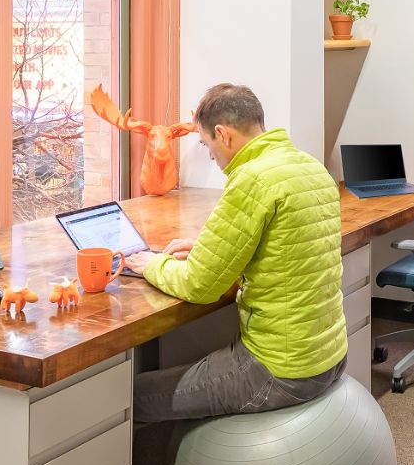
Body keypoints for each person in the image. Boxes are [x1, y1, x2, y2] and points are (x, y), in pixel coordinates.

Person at [124, 83, 346, 422]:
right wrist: (206, 250)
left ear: (222, 134)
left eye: (206, 146)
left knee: (134, 397)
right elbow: (285, 249)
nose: (211, 157)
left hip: (281, 370)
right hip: (328, 355)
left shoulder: (252, 179)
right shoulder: (309, 166)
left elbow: (200, 286)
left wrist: (154, 264)